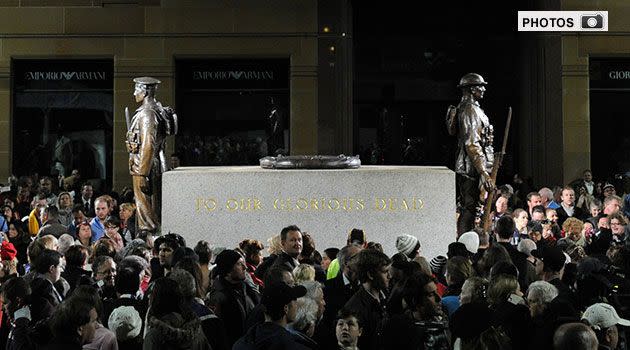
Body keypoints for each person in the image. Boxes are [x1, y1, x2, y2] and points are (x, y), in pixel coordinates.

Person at [126, 76, 176, 233]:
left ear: (146, 92)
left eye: (137, 89)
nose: (134, 93)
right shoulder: (156, 109)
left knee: (147, 212)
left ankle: (149, 240)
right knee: (150, 208)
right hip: (149, 164)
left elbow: (148, 144)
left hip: (145, 165)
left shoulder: (147, 113)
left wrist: (142, 173)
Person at [451, 73, 495, 235]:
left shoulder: (473, 108)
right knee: (469, 208)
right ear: (471, 89)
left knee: (472, 207)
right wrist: (483, 172)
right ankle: (464, 245)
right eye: (480, 86)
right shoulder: (470, 110)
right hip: (470, 168)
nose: (483, 89)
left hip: (473, 166)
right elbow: (472, 143)